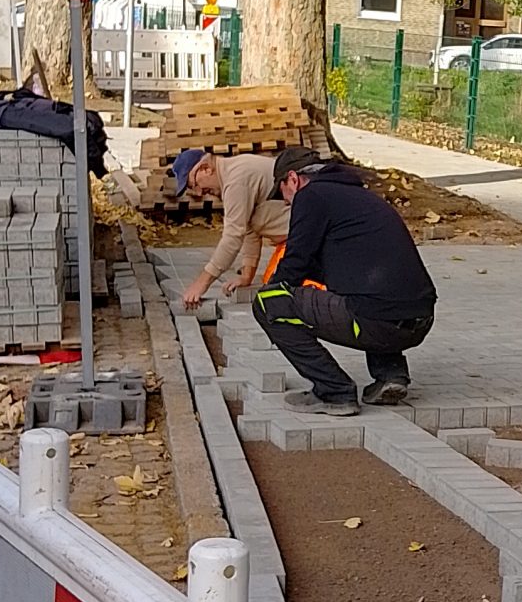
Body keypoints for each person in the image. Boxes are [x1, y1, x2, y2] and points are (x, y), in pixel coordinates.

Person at [252, 147, 436, 415]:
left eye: (283, 194)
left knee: (267, 304)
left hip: (378, 322)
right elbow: (329, 268)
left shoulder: (310, 196)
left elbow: (295, 263)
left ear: (293, 179)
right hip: (419, 319)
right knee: (368, 294)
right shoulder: (357, 196)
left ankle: (334, 392)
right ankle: (390, 375)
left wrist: (273, 295)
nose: (287, 203)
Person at [174, 148, 290, 312]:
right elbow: (248, 229)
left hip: (311, 229)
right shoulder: (234, 170)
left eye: (194, 184)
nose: (199, 192)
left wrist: (201, 284)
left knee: (283, 291)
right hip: (299, 228)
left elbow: (233, 237)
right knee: (252, 219)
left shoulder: (236, 181)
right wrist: (246, 277)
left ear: (206, 168)